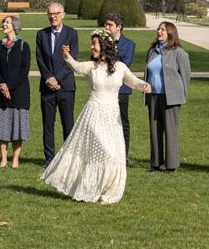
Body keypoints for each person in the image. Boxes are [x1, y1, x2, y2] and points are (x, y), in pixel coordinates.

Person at [40, 30, 151, 204]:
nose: (92, 47)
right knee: (105, 151)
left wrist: (144, 85)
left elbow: (133, 81)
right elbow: (77, 67)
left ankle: (106, 192)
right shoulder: (92, 67)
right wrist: (68, 57)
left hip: (112, 117)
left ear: (105, 46)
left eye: (95, 44)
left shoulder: (120, 67)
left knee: (114, 155)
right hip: (94, 115)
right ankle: (89, 187)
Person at [35, 2, 80, 168]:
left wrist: (57, 79)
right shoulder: (42, 34)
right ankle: (49, 159)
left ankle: (68, 159)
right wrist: (48, 78)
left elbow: (72, 59)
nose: (52, 17)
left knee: (67, 123)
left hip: (65, 87)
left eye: (55, 14)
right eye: (50, 14)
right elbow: (39, 58)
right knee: (48, 124)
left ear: (63, 15)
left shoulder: (72, 34)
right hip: (47, 87)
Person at [143, 21, 191, 173]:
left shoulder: (179, 52)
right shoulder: (152, 51)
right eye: (159, 28)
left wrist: (180, 95)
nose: (159, 31)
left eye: (163, 29)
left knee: (170, 130)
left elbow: (186, 77)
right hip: (153, 95)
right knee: (154, 129)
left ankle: (171, 165)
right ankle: (155, 163)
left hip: (171, 97)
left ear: (170, 33)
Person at [0, 15, 31, 168]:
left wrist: (9, 86)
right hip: (0, 94)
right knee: (2, 127)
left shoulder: (23, 46)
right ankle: (3, 159)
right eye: (4, 22)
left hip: (19, 93)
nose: (4, 24)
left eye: (7, 22)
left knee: (17, 128)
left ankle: (15, 159)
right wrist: (2, 86)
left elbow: (24, 70)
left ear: (15, 26)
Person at [103, 13, 136, 165]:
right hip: (104, 89)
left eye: (110, 25)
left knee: (122, 123)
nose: (107, 27)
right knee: (105, 123)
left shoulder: (129, 44)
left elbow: (124, 65)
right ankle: (107, 155)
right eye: (106, 24)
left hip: (121, 89)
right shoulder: (101, 42)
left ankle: (123, 156)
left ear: (119, 27)